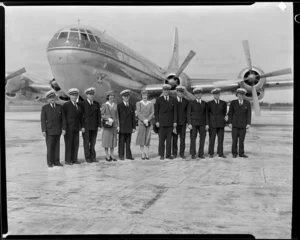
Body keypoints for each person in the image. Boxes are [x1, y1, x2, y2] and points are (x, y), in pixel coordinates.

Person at [41, 90, 64, 167]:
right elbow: (43, 120)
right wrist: (43, 130)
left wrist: (63, 128)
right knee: (50, 147)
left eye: (53, 98)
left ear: (55, 98)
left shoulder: (59, 107)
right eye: (50, 98)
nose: (52, 99)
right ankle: (50, 162)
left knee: (57, 146)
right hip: (49, 131)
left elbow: (63, 119)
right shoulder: (45, 108)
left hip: (58, 130)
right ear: (48, 99)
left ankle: (57, 161)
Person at [154, 84, 177, 160]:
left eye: (167, 90)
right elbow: (156, 112)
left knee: (169, 140)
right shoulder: (158, 99)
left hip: (170, 123)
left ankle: (168, 154)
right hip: (161, 123)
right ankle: (161, 154)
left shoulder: (173, 99)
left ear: (168, 91)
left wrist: (174, 122)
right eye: (164, 90)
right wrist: (156, 121)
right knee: (161, 140)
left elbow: (175, 112)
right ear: (162, 91)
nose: (166, 92)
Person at [62, 88, 84, 165]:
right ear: (70, 96)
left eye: (75, 95)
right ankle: (68, 160)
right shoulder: (66, 105)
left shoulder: (78, 106)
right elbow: (63, 117)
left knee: (76, 144)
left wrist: (81, 127)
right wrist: (64, 128)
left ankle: (74, 159)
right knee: (69, 144)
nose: (74, 97)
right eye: (72, 95)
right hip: (68, 128)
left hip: (76, 128)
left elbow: (80, 117)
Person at [228, 88, 252, 158]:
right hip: (235, 125)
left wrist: (248, 123)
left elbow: (249, 114)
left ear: (244, 95)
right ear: (237, 95)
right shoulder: (233, 103)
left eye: (242, 94)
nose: (240, 96)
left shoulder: (247, 103)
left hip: (243, 125)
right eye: (239, 94)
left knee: (241, 140)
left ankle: (241, 153)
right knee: (234, 140)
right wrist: (230, 122)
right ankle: (234, 153)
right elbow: (230, 113)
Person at [81, 87, 101, 163]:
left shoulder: (96, 104)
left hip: (94, 126)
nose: (91, 95)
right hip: (86, 127)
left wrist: (99, 125)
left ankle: (93, 157)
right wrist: (82, 126)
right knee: (86, 143)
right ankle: (88, 157)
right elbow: (81, 116)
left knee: (93, 143)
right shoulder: (82, 104)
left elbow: (99, 115)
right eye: (89, 94)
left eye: (92, 94)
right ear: (86, 95)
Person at [187, 87, 209, 159]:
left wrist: (207, 124)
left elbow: (206, 115)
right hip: (193, 123)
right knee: (193, 139)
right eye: (196, 93)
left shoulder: (204, 103)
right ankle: (193, 153)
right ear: (195, 95)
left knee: (202, 139)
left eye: (199, 93)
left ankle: (201, 154)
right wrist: (189, 123)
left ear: (201, 94)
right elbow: (188, 114)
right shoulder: (191, 103)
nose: (198, 95)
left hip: (202, 124)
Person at [207, 88, 228, 158]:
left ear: (219, 95)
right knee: (212, 139)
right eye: (215, 94)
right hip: (212, 124)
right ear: (213, 95)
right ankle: (211, 153)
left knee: (220, 140)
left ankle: (220, 153)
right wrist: (208, 123)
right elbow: (207, 114)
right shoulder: (209, 103)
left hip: (221, 124)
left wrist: (224, 121)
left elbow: (224, 113)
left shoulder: (223, 103)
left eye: (218, 94)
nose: (217, 95)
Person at [136, 90, 155, 160]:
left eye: (146, 95)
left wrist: (148, 119)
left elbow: (152, 112)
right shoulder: (139, 103)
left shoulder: (151, 103)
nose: (145, 96)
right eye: (143, 95)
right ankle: (142, 154)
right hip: (141, 123)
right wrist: (144, 120)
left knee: (147, 138)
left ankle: (147, 154)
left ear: (148, 96)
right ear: (141, 96)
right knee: (141, 138)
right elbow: (138, 112)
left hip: (149, 123)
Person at [117, 89, 136, 160]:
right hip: (122, 127)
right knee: (121, 142)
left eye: (127, 96)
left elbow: (133, 117)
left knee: (128, 142)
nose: (126, 97)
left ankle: (128, 155)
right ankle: (121, 155)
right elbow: (117, 117)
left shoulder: (131, 105)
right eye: (125, 96)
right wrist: (118, 126)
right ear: (122, 97)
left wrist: (134, 127)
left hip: (129, 126)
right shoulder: (119, 106)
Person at [172, 85, 189, 159]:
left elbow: (187, 113)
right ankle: (175, 153)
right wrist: (173, 122)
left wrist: (188, 122)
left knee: (183, 139)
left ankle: (182, 153)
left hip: (183, 123)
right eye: (179, 92)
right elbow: (172, 112)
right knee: (174, 139)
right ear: (177, 93)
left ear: (183, 93)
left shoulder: (186, 101)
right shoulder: (173, 100)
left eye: (181, 92)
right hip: (175, 123)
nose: (180, 94)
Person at [102, 90, 119, 161]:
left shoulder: (115, 105)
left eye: (113, 96)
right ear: (108, 97)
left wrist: (118, 125)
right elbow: (102, 114)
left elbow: (117, 115)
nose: (111, 97)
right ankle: (107, 154)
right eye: (110, 95)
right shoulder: (104, 105)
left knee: (113, 140)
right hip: (108, 125)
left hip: (114, 125)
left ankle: (112, 154)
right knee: (106, 140)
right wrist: (108, 118)